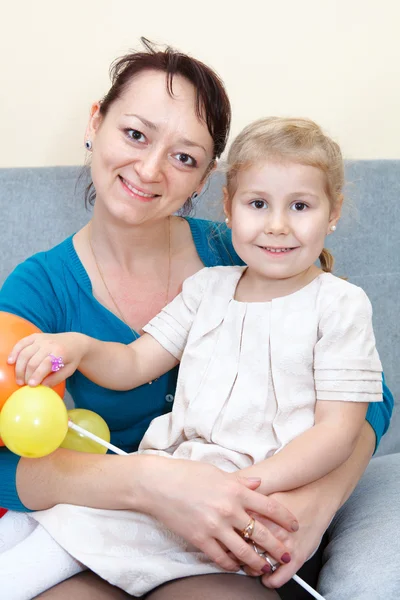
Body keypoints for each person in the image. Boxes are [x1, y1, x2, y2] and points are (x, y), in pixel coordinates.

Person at [0, 41, 395, 600]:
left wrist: (315, 502)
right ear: (96, 122)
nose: (150, 168)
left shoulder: (247, 255)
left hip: (238, 525)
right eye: (136, 134)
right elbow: (10, 460)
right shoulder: (40, 289)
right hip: (116, 519)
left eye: (184, 156)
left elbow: (368, 397)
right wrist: (151, 484)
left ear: (207, 181)